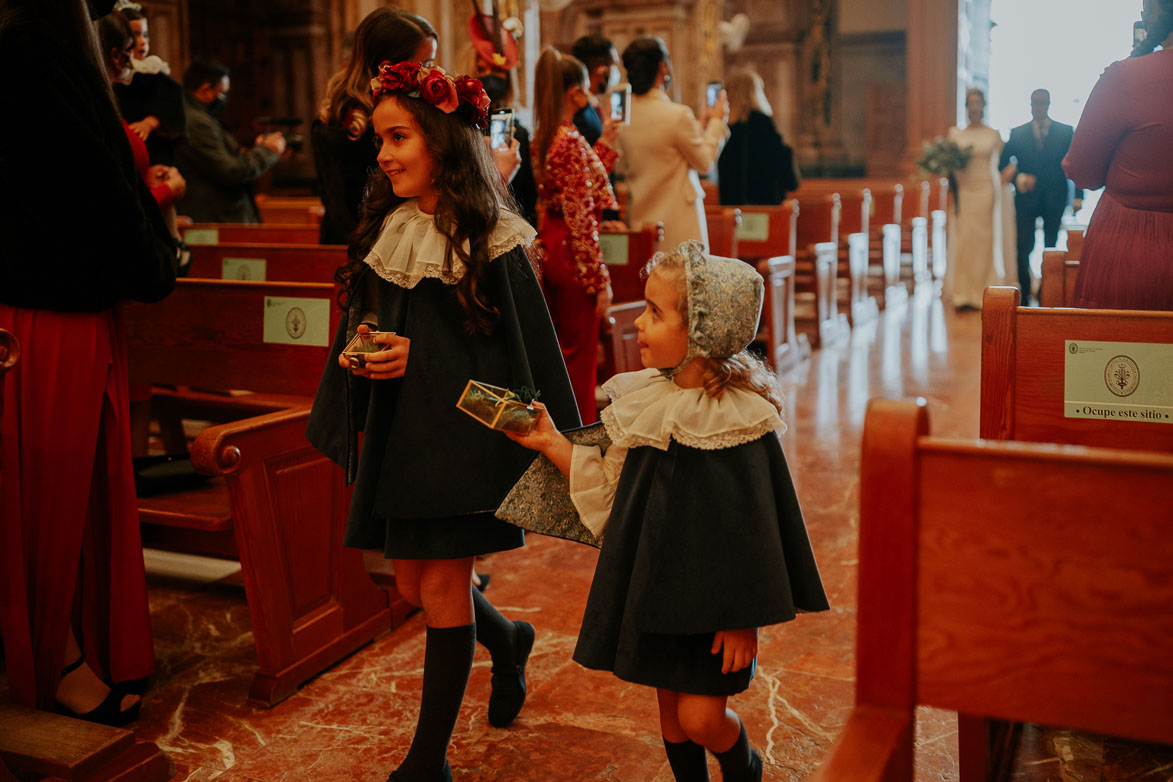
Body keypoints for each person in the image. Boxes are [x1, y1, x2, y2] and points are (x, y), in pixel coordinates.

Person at [304, 61, 579, 781]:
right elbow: (369, 320)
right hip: (406, 436)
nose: (384, 154)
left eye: (399, 137)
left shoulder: (491, 238)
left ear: (444, 144)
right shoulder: (391, 225)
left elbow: (517, 362)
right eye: (380, 141)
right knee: (410, 585)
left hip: (462, 446)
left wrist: (416, 358)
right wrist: (363, 351)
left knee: (441, 588)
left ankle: (427, 763)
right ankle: (510, 638)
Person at [505, 241, 829, 782]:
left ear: (701, 331)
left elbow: (756, 531)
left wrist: (741, 617)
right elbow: (612, 487)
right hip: (653, 587)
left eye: (655, 313)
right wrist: (550, 442)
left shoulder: (738, 422)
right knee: (671, 717)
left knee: (701, 717)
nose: (638, 324)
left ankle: (741, 763)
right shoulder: (646, 402)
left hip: (715, 603)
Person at [1, 0, 177, 726]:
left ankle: (68, 646)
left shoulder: (24, 52)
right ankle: (57, 660)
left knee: (49, 495)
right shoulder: (38, 59)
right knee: (53, 500)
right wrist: (156, 261)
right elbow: (99, 199)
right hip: (49, 320)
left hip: (36, 309)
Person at [1063, 0, 1173, 310]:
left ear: (1151, 14)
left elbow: (1081, 171)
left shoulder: (1124, 77)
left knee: (1117, 353)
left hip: (1127, 249)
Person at [532, 46, 620, 425]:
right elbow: (581, 218)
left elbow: (578, 185)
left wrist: (605, 148)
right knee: (578, 363)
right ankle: (577, 440)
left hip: (554, 244)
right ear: (576, 93)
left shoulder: (547, 136)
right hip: (571, 253)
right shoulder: (569, 141)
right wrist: (599, 281)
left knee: (561, 355)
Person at [312, 7, 438, 245]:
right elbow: (340, 204)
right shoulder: (359, 123)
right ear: (388, 68)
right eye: (427, 63)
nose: (432, 73)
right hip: (371, 242)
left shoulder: (331, 115)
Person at [617, 36, 729, 252]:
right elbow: (704, 163)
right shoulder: (677, 115)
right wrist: (716, 122)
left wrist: (701, 125)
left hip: (642, 223)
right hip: (679, 229)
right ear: (662, 67)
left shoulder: (624, 117)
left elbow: (662, 147)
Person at [174, 59, 286, 223]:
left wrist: (257, 150)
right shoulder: (197, 122)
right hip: (213, 216)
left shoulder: (197, 115)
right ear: (206, 89)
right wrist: (268, 151)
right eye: (223, 93)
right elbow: (231, 171)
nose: (224, 99)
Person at [999, 88, 1082, 305]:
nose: (1039, 107)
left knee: (1052, 246)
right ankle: (1025, 296)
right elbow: (1002, 165)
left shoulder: (1065, 132)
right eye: (1035, 103)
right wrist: (1020, 179)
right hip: (1026, 199)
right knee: (1023, 246)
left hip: (1055, 198)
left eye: (1042, 103)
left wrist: (1078, 196)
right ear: (1030, 105)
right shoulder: (1018, 133)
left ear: (1049, 104)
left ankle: (1048, 293)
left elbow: (1075, 165)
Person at [942, 88, 1008, 311]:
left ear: (983, 105)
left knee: (985, 241)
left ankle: (985, 291)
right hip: (965, 191)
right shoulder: (956, 135)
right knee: (965, 240)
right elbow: (949, 168)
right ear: (966, 106)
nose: (974, 107)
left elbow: (1002, 163)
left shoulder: (994, 134)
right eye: (970, 103)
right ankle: (963, 293)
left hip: (986, 190)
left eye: (978, 102)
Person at [112, 2, 186, 167]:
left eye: (145, 35)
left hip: (155, 149)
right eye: (135, 35)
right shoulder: (115, 74)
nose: (142, 41)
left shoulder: (152, 70)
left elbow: (171, 99)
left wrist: (150, 122)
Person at [717, 68, 800, 206]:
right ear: (755, 93)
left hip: (732, 210)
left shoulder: (724, 128)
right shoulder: (763, 123)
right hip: (764, 208)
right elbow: (786, 175)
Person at [570, 34, 620, 146]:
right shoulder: (580, 112)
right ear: (602, 71)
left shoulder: (591, 104)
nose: (616, 71)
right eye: (613, 66)